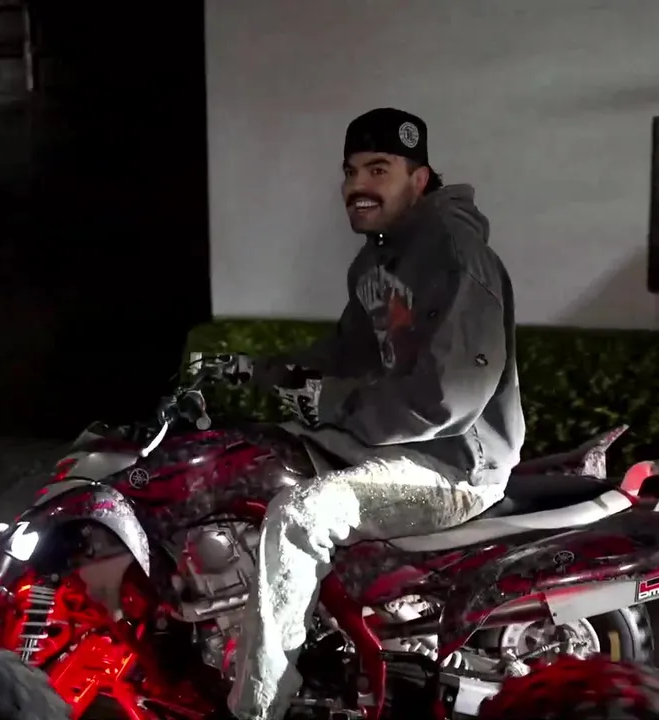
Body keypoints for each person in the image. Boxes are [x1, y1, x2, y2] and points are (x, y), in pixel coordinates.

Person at [217, 108, 525, 720]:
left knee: (300, 516)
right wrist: (258, 369)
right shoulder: (375, 263)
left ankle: (257, 708)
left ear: (419, 179)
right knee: (253, 462)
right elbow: (346, 353)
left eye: (378, 169)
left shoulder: (455, 254)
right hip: (391, 447)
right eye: (351, 170)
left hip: (453, 465)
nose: (358, 185)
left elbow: (449, 397)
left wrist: (334, 403)